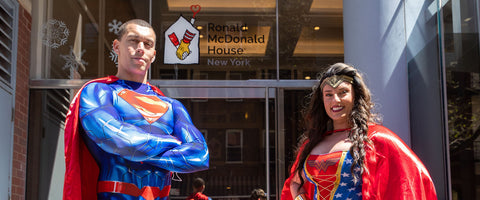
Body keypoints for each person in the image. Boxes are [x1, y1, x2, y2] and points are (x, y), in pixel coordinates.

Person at [63, 19, 209, 200]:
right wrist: (174, 143)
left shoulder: (172, 106)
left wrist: (136, 152)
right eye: (133, 41)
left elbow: (200, 155)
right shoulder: (98, 92)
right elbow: (117, 139)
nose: (140, 48)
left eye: (147, 44)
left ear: (153, 54)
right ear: (116, 47)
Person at [281, 63, 437, 200]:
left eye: (343, 92)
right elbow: (294, 184)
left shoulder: (377, 139)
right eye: (328, 94)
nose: (335, 100)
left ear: (355, 96)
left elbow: (410, 183)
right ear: (322, 100)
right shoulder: (311, 144)